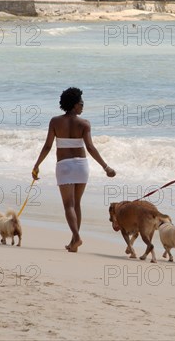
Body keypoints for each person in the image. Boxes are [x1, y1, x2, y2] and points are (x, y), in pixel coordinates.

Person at [32, 87, 116, 252]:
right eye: (81, 103)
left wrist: (37, 165)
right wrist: (106, 167)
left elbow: (48, 146)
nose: (83, 106)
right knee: (76, 203)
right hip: (81, 166)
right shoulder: (84, 123)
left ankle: (76, 237)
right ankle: (73, 242)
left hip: (64, 166)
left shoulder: (55, 122)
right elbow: (90, 147)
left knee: (68, 205)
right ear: (74, 105)